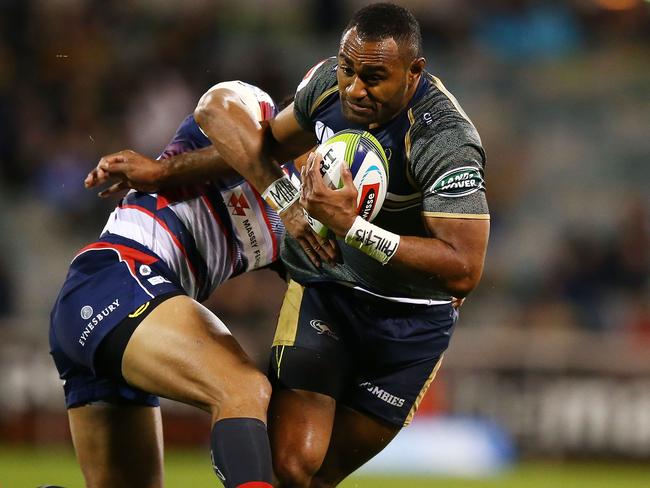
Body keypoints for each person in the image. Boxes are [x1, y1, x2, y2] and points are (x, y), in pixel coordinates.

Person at [94, 4, 490, 486]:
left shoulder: (445, 141)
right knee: (290, 466)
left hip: (410, 321)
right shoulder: (328, 86)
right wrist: (164, 171)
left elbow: (465, 268)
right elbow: (264, 148)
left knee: (322, 474)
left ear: (414, 73)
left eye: (373, 77)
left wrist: (353, 229)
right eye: (348, 70)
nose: (355, 89)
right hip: (326, 290)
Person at [51, 80, 301, 488]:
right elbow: (214, 110)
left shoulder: (303, 225)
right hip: (119, 277)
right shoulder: (254, 108)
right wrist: (286, 195)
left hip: (131, 320)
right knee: (241, 386)